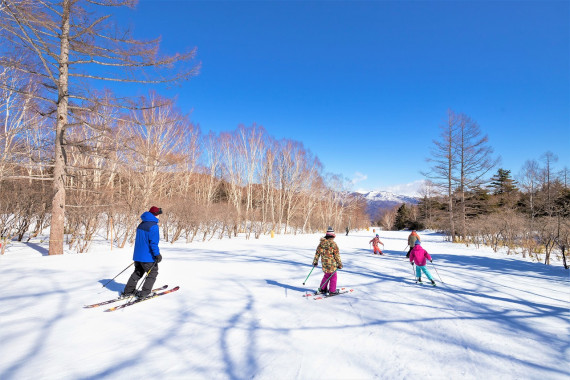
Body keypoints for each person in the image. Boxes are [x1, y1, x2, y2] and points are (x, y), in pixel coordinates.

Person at [121, 206, 163, 299]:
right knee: (153, 273)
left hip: (138, 255)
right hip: (148, 256)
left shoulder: (141, 224)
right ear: (155, 215)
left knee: (138, 272)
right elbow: (153, 243)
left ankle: (128, 291)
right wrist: (157, 255)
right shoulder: (154, 226)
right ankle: (145, 293)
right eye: (158, 214)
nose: (159, 216)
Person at [312, 227, 343, 294]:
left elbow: (317, 253)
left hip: (324, 264)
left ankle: (322, 289)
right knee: (333, 277)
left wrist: (315, 262)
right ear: (333, 236)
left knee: (326, 276)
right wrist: (339, 264)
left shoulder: (321, 243)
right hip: (332, 265)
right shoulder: (333, 244)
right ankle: (332, 290)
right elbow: (337, 255)